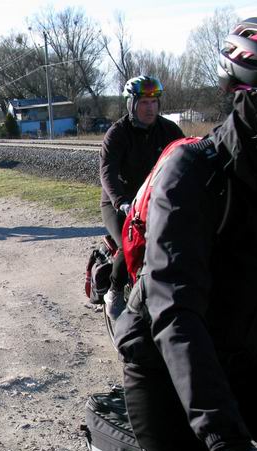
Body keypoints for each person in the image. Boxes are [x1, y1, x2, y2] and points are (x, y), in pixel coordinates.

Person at [114, 9, 257, 451]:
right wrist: (228, 441)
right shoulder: (194, 172)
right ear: (253, 99)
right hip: (165, 370)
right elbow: (175, 313)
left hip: (250, 357)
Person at [100, 75, 184, 322]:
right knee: (132, 242)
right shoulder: (117, 134)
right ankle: (114, 291)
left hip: (155, 202)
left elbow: (187, 156)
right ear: (132, 105)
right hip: (120, 204)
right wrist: (120, 201)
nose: (150, 108)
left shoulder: (169, 130)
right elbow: (108, 172)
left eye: (154, 102)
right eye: (144, 103)